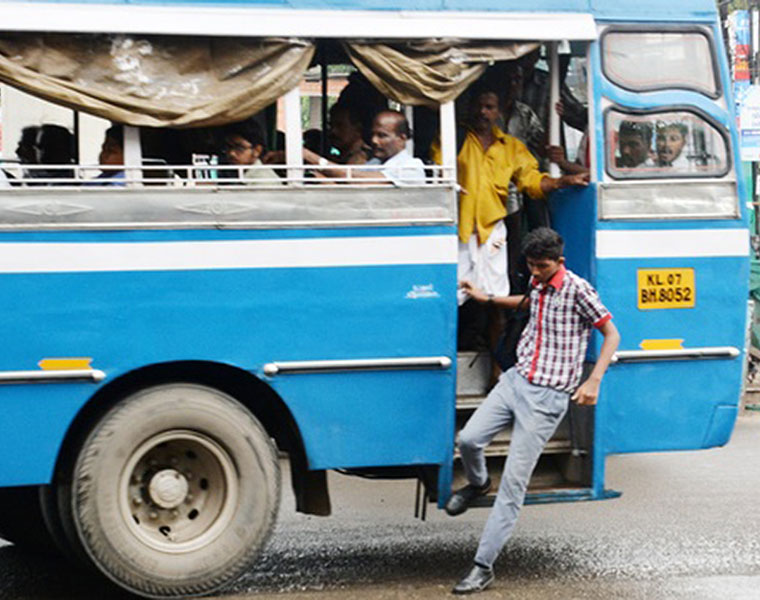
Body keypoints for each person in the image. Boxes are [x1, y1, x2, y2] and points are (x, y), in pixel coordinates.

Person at [448, 227, 620, 595]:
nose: (536, 272)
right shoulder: (537, 283)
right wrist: (487, 298)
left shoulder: (578, 290)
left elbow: (612, 334)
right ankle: (478, 484)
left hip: (546, 400)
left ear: (559, 262)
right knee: (470, 439)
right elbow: (527, 303)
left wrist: (594, 381)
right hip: (515, 381)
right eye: (530, 265)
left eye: (542, 266)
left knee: (513, 485)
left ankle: (482, 566)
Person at [302, 110, 425, 185]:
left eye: (382, 136)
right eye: (373, 134)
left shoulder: (411, 167)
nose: (374, 141)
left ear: (401, 138)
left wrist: (311, 157)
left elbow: (358, 180)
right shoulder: (374, 163)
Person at [223, 120, 282, 185]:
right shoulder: (242, 174)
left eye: (239, 148)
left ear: (257, 150)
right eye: (229, 147)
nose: (232, 153)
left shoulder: (264, 180)